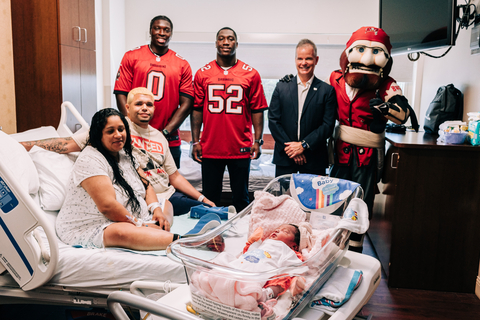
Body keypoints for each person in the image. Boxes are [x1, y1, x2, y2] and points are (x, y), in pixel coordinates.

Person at [20, 88, 215, 215]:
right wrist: (22, 145)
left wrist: (202, 197)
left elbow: (174, 176)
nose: (144, 108)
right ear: (127, 108)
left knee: (209, 209)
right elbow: (65, 144)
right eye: (139, 104)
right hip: (147, 197)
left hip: (169, 194)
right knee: (210, 215)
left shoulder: (158, 136)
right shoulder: (115, 129)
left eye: (149, 104)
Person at [328, 26, 417, 252]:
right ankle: (333, 246)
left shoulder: (386, 84)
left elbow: (403, 114)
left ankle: (355, 249)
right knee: (337, 198)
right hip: (341, 151)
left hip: (366, 156)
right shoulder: (335, 78)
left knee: (362, 202)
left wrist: (385, 109)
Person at [55, 108, 179, 250]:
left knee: (166, 205)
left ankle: (156, 232)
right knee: (121, 233)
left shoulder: (126, 155)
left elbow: (147, 185)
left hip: (131, 214)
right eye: (110, 131)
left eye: (121, 129)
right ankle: (185, 243)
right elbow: (107, 206)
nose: (118, 135)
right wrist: (139, 224)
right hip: (93, 224)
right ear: (98, 134)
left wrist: (156, 210)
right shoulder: (90, 160)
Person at [191, 27, 268, 212]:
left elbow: (257, 109)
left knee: (241, 197)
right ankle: (210, 237)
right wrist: (195, 141)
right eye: (222, 39)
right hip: (211, 146)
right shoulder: (203, 73)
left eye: (230, 39)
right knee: (210, 198)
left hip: (240, 146)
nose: (226, 42)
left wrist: (257, 140)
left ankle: (242, 237)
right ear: (216, 42)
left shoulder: (251, 74)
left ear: (236, 43)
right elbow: (196, 110)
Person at [113, 15, 194, 168]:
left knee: (170, 186)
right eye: (157, 28)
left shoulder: (182, 64)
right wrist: (131, 127)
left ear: (171, 33)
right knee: (136, 184)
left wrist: (165, 132)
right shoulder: (132, 56)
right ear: (150, 31)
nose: (162, 33)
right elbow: (121, 92)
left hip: (168, 138)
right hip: (136, 137)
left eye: (166, 30)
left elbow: (187, 103)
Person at [190, 223, 312, 315]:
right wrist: (252, 242)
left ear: (294, 246)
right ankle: (212, 280)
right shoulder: (264, 243)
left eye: (284, 231)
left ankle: (254, 295)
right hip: (238, 266)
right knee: (224, 257)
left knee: (251, 291)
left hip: (250, 276)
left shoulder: (287, 251)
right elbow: (247, 252)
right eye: (277, 229)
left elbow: (295, 269)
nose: (277, 231)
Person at [268, 39, 337, 177]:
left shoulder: (327, 91)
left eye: (308, 59)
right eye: (300, 58)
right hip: (285, 158)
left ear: (316, 60)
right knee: (284, 198)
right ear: (295, 60)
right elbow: (273, 121)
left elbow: (327, 126)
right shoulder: (281, 87)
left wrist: (303, 145)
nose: (303, 63)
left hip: (314, 159)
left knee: (313, 199)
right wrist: (292, 150)